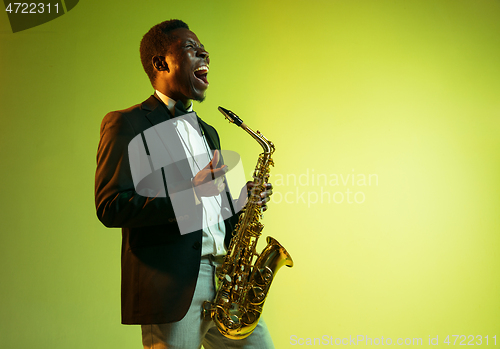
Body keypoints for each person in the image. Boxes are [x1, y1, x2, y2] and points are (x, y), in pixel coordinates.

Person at [94, 19, 275, 348]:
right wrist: (191, 192)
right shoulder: (126, 123)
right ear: (160, 63)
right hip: (173, 287)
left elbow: (209, 206)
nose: (204, 53)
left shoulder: (209, 131)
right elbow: (111, 206)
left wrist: (240, 202)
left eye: (204, 49)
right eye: (191, 49)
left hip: (227, 280)